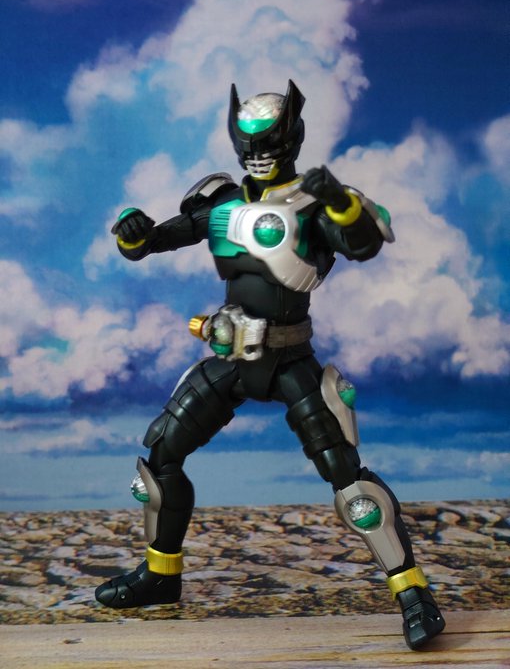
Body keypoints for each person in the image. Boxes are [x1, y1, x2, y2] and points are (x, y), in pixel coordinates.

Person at [95, 80, 445, 650]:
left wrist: (340, 203)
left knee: (348, 479)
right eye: (250, 142)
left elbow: (361, 243)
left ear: (292, 138)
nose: (259, 152)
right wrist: (132, 233)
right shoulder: (221, 203)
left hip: (290, 359)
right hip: (230, 359)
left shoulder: (314, 203)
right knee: (161, 455)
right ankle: (161, 575)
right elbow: (153, 242)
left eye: (270, 142)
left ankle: (413, 593)